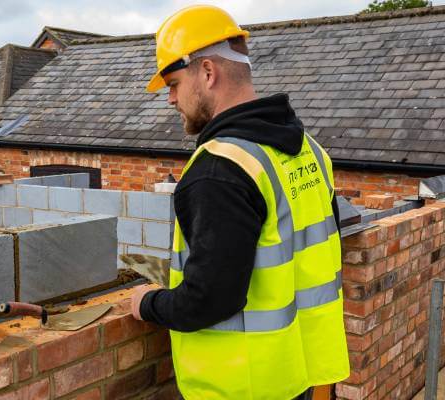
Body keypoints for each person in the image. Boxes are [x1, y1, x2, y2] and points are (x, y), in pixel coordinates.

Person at [129, 5, 350, 400]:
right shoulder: (307, 150)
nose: (170, 99)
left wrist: (147, 304)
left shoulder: (220, 169)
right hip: (300, 374)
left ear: (208, 72)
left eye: (174, 83)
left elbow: (210, 299)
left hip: (240, 385)